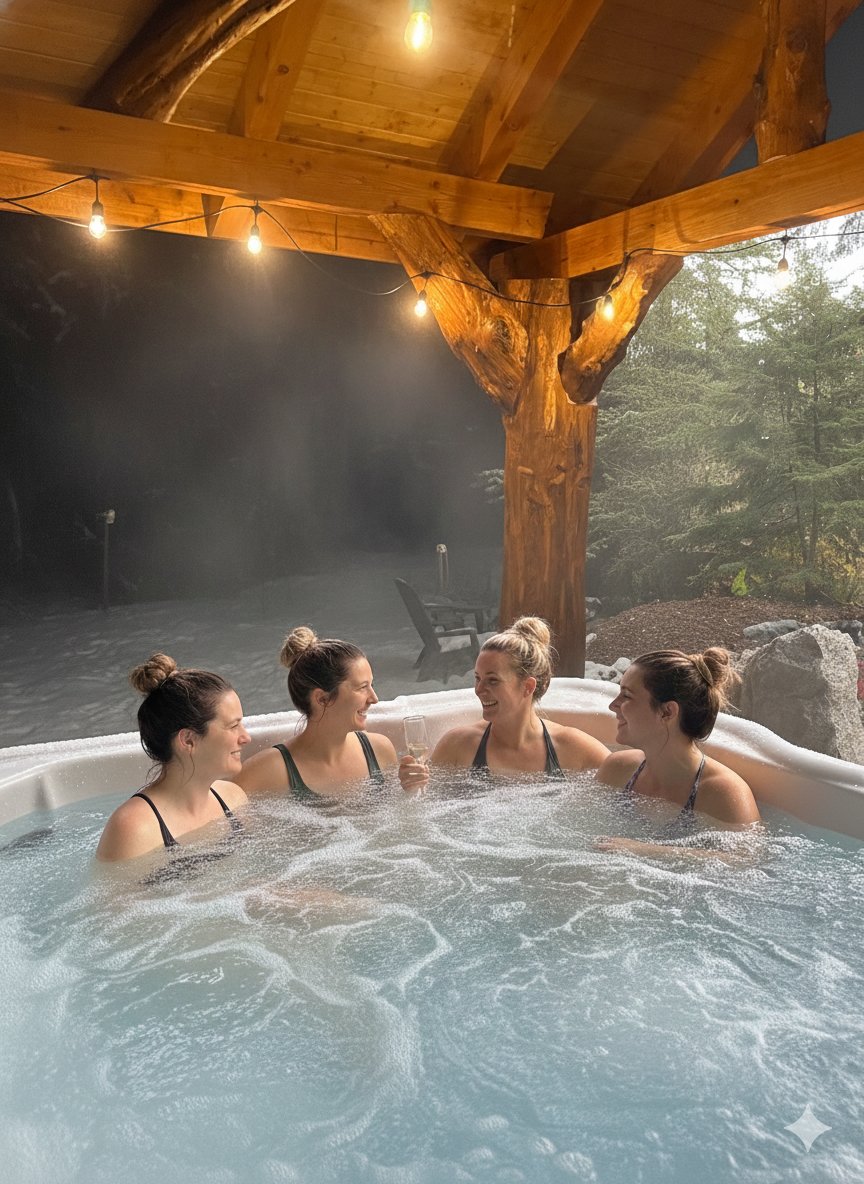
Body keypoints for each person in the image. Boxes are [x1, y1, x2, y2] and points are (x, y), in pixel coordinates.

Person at [399, 617, 609, 792]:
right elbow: (423, 814)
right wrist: (412, 788)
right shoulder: (457, 746)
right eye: (477, 678)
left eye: (492, 680)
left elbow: (630, 786)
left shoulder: (572, 749)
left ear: (527, 687)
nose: (479, 690)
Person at [594, 648, 760, 855]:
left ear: (667, 712)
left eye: (626, 696)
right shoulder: (618, 768)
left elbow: (745, 862)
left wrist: (646, 850)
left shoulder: (722, 792)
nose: (613, 705)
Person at [96, 654, 250, 862]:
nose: (246, 737)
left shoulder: (234, 800)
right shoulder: (134, 829)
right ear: (188, 740)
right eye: (233, 726)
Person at [236, 627, 397, 798]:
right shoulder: (265, 772)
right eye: (362, 687)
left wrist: (411, 789)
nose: (374, 698)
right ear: (322, 699)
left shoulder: (380, 750)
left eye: (371, 685)